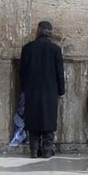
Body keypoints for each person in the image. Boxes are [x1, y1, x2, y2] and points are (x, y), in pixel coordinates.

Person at [19, 21, 65, 158]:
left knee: (33, 117)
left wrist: (24, 87)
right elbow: (59, 72)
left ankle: (33, 150)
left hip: (32, 90)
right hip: (50, 90)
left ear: (38, 30)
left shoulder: (27, 48)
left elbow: (22, 71)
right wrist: (61, 90)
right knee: (48, 118)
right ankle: (46, 150)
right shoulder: (55, 49)